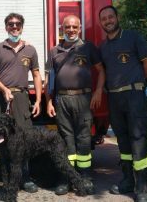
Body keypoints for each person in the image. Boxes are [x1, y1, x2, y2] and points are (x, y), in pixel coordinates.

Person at [0, 12, 42, 198]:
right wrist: (4, 89)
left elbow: (36, 76)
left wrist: (37, 100)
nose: (14, 27)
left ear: (22, 26)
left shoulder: (30, 50)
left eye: (17, 24)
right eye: (11, 24)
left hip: (21, 97)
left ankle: (24, 178)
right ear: (6, 27)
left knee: (23, 137)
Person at [98, 5, 147, 202]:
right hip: (114, 98)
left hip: (133, 95)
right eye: (104, 19)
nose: (108, 21)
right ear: (101, 23)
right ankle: (127, 181)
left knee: (138, 137)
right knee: (122, 139)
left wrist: (137, 82)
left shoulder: (133, 37)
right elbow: (104, 72)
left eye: (110, 17)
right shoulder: (102, 47)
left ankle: (142, 186)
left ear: (117, 17)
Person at [44, 15, 105, 195]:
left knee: (84, 139)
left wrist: (99, 91)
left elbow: (101, 71)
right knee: (65, 140)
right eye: (67, 27)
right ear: (62, 29)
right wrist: (48, 101)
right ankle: (67, 178)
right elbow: (50, 79)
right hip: (62, 100)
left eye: (74, 27)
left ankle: (85, 177)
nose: (71, 30)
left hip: (83, 99)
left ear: (79, 29)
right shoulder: (54, 51)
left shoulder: (88, 48)